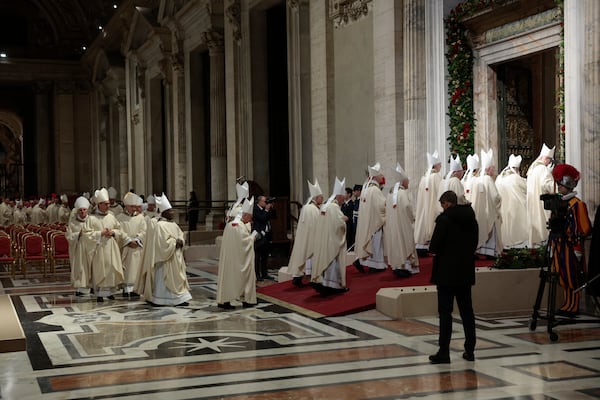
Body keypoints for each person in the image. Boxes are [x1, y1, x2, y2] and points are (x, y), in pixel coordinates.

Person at [428, 190, 478, 364]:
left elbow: (434, 246)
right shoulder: (471, 219)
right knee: (467, 311)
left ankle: (444, 352)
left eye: (443, 205)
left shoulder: (444, 220)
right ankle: (470, 350)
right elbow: (474, 244)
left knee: (445, 313)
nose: (442, 208)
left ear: (447, 203)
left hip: (446, 273)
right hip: (464, 271)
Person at [548, 164, 592, 317]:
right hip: (560, 245)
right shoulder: (561, 203)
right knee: (563, 276)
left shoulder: (578, 204)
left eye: (561, 184)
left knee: (572, 277)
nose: (559, 187)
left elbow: (585, 227)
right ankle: (567, 303)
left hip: (571, 246)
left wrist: (576, 244)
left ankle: (573, 305)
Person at [138, 193, 192, 307]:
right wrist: (174, 242)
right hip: (165, 260)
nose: (173, 213)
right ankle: (161, 299)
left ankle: (179, 299)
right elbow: (161, 244)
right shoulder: (160, 225)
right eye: (170, 211)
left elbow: (180, 235)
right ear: (164, 212)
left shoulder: (173, 224)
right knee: (163, 280)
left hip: (176, 258)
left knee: (178, 278)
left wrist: (181, 240)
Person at [81, 187, 126, 302]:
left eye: (108, 204)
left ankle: (110, 292)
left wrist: (113, 232)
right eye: (105, 204)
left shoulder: (111, 217)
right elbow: (86, 234)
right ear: (99, 204)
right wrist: (100, 233)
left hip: (111, 247)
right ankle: (100, 293)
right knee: (100, 270)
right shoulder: (91, 219)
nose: (108, 206)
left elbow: (119, 230)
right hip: (98, 248)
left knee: (111, 269)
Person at [216, 197, 257, 309]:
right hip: (237, 259)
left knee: (228, 277)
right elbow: (244, 242)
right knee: (239, 276)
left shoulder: (232, 224)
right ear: (244, 215)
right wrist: (252, 238)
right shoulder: (238, 226)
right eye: (250, 217)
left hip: (230, 258)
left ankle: (224, 300)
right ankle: (246, 300)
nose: (251, 220)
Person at [311, 177, 349, 295]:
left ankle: (325, 284)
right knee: (333, 265)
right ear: (338, 196)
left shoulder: (326, 205)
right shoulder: (334, 207)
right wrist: (344, 220)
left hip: (325, 240)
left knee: (327, 264)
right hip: (332, 241)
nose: (344, 199)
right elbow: (338, 225)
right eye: (343, 197)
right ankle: (333, 286)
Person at [384, 163, 420, 277]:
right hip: (403, 226)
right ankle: (406, 267)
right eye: (407, 180)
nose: (408, 182)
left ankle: (397, 266)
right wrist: (413, 217)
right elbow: (407, 208)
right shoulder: (403, 193)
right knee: (405, 243)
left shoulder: (390, 194)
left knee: (396, 244)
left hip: (393, 226)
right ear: (403, 182)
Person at [287, 179, 324, 287]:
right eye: (321, 197)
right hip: (311, 238)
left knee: (301, 255)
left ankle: (298, 277)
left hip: (304, 238)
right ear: (316, 198)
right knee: (309, 256)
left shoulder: (307, 207)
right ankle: (310, 277)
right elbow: (317, 225)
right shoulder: (312, 209)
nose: (323, 199)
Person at [354, 162, 387, 273]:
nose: (382, 177)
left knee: (369, 242)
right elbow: (381, 206)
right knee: (375, 243)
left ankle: (362, 261)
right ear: (375, 176)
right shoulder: (375, 190)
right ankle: (375, 266)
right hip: (374, 222)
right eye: (380, 175)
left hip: (366, 221)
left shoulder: (365, 188)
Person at [470, 148, 502, 258]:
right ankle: (489, 251)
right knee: (491, 231)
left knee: (482, 229)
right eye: (493, 168)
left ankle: (481, 250)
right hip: (490, 211)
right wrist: (499, 202)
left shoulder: (477, 179)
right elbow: (495, 197)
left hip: (480, 211)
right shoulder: (488, 179)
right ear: (488, 169)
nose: (494, 170)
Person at [117, 192, 146, 299]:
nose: (134, 208)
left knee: (137, 269)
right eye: (131, 206)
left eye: (135, 206)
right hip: (126, 247)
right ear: (126, 206)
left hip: (137, 247)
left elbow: (144, 231)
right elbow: (119, 231)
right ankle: (126, 289)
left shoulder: (141, 217)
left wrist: (137, 239)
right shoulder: (119, 217)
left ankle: (136, 289)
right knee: (127, 268)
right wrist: (128, 240)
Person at [495, 154, 528, 248]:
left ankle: (505, 244)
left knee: (505, 227)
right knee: (515, 228)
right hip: (516, 207)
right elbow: (526, 188)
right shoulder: (516, 178)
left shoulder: (499, 178)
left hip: (503, 208)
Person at [527, 143, 556, 247]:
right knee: (543, 225)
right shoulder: (543, 169)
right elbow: (547, 185)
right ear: (545, 158)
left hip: (533, 203)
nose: (549, 162)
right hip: (541, 204)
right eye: (549, 160)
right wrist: (555, 183)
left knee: (535, 225)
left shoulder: (532, 169)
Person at [414, 151, 443, 255]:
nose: (441, 166)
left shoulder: (424, 177)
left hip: (424, 206)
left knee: (423, 221)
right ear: (436, 165)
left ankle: (421, 246)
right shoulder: (436, 177)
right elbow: (441, 192)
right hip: (433, 206)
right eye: (440, 164)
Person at [66, 196, 92, 297]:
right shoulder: (73, 223)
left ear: (87, 210)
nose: (82, 212)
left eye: (84, 210)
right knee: (80, 269)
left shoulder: (91, 221)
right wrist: (78, 235)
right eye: (80, 210)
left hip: (90, 250)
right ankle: (81, 288)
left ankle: (91, 286)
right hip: (78, 251)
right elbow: (68, 236)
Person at [253, 195, 273, 281]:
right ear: (260, 202)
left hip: (267, 235)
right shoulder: (255, 209)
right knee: (258, 257)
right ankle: (257, 275)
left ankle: (264, 273)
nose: (266, 203)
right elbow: (262, 218)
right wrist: (266, 210)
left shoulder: (266, 209)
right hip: (259, 235)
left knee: (265, 256)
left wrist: (271, 208)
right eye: (265, 202)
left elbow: (273, 216)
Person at [351, 184, 362, 248]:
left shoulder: (361, 201)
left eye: (354, 191)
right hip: (355, 223)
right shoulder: (356, 201)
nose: (353, 192)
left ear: (359, 191)